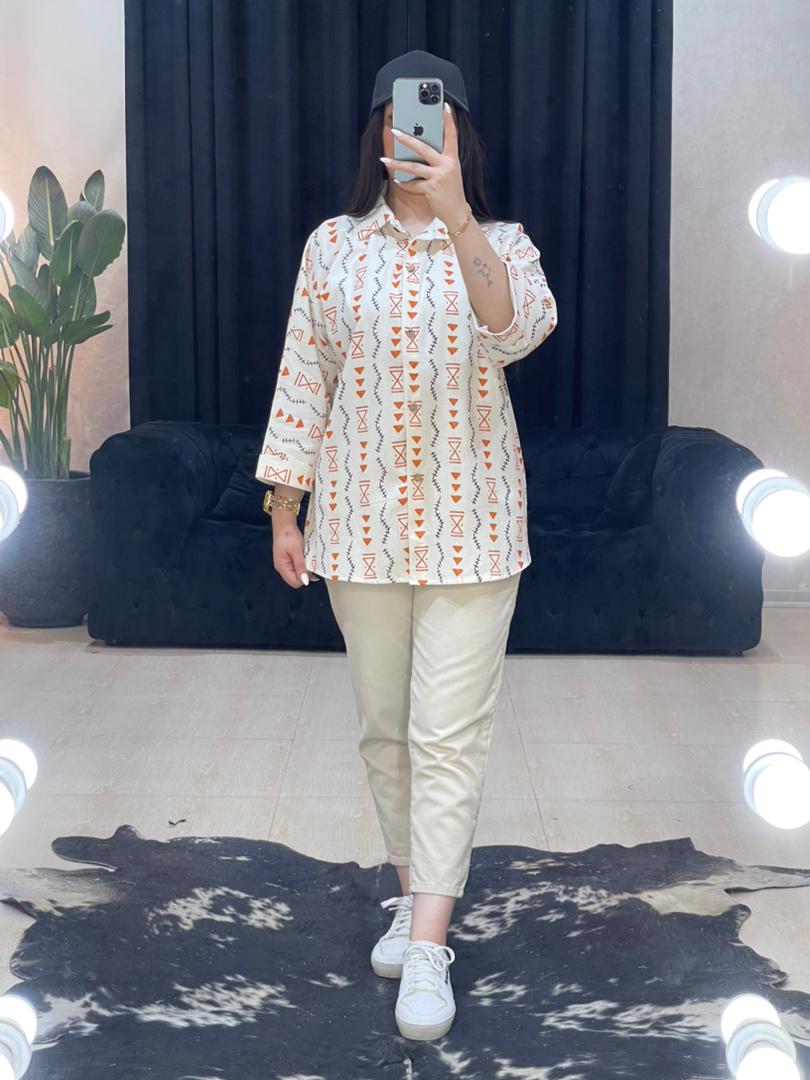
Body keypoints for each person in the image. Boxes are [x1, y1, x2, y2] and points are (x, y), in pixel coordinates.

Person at [256, 51, 557, 1042]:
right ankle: (412, 889)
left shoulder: (503, 244)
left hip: (476, 530)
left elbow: (515, 332)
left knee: (448, 738)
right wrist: (286, 509)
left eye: (434, 119)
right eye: (399, 119)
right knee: (386, 732)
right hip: (361, 527)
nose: (416, 134)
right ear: (377, 135)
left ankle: (429, 944)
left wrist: (459, 213)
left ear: (461, 133)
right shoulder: (333, 247)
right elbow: (304, 378)